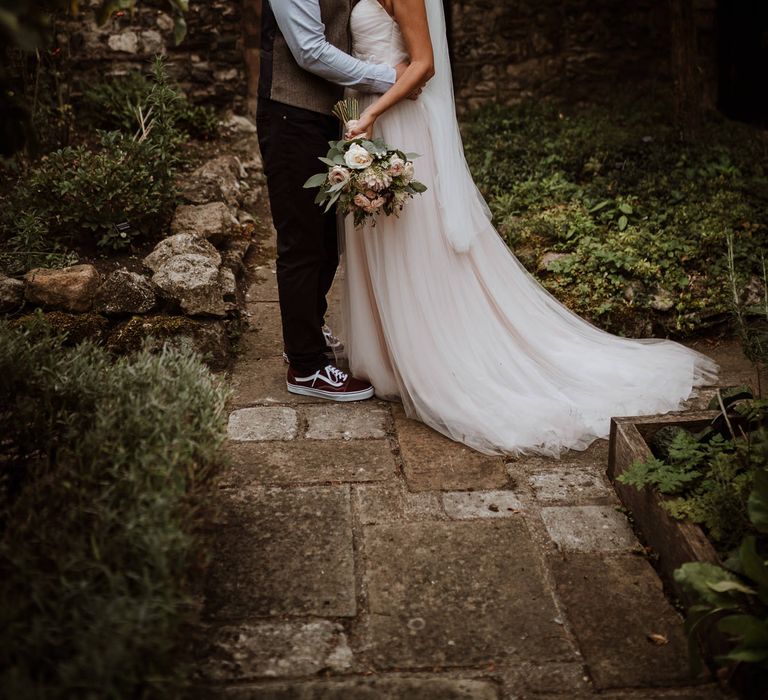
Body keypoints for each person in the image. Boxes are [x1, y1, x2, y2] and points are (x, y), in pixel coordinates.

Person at [339, 0, 719, 456]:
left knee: (411, 240)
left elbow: (424, 65)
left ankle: (432, 357)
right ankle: (387, 357)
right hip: (369, 118)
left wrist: (374, 112)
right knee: (381, 235)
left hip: (395, 120)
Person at [256, 0, 409, 401]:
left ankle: (306, 330)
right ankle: (305, 366)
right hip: (290, 115)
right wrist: (386, 76)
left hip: (323, 115)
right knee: (302, 241)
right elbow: (309, 50)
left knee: (326, 241)